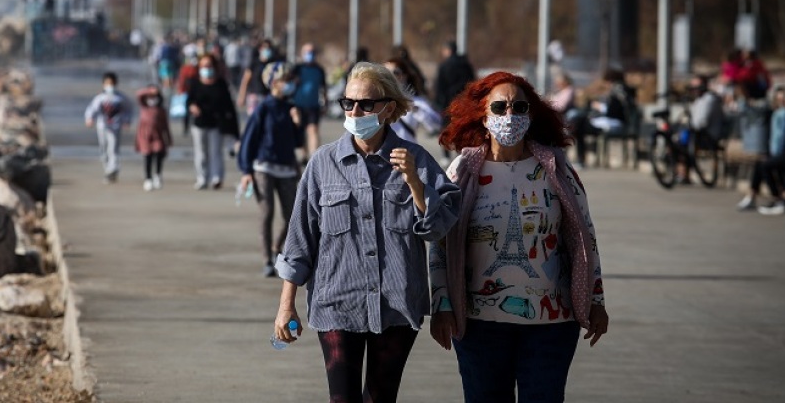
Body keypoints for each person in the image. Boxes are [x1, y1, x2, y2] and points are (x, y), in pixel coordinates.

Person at [273, 62, 462, 403]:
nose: (355, 111)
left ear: (389, 108)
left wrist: (416, 185)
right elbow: (300, 239)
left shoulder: (416, 160)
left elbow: (439, 229)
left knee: (380, 398)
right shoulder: (322, 163)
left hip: (397, 306)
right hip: (336, 304)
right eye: (348, 103)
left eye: (365, 104)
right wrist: (286, 305)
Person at [429, 71, 609, 403]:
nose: (509, 116)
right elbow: (440, 244)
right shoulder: (463, 171)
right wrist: (441, 304)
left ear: (531, 114)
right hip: (479, 324)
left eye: (519, 108)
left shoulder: (556, 168)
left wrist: (596, 301)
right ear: (482, 115)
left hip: (552, 323)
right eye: (499, 108)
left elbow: (585, 238)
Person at [237, 61, 303, 277]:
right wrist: (246, 170)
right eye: (286, 80)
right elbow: (249, 140)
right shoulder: (263, 108)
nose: (290, 84)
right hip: (263, 167)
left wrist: (296, 122)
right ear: (274, 83)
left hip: (286, 168)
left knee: (291, 215)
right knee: (267, 213)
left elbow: (297, 142)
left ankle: (277, 248)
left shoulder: (290, 107)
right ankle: (266, 259)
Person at [737, 86, 785, 215]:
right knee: (766, 166)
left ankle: (780, 199)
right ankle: (761, 196)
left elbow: (784, 135)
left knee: (768, 166)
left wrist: (777, 152)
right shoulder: (784, 112)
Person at [186, 53, 238, 190]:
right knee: (201, 153)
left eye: (209, 66)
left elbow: (229, 106)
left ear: (215, 67)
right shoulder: (195, 82)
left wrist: (234, 129)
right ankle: (202, 178)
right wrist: (192, 107)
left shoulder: (221, 83)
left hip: (216, 123)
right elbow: (189, 101)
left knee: (216, 152)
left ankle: (217, 177)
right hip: (199, 123)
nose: (206, 68)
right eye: (203, 66)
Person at [573, 69, 637, 167]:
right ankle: (580, 158)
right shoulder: (624, 89)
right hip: (617, 121)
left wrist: (599, 106)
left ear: (610, 80)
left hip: (615, 122)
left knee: (579, 125)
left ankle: (580, 159)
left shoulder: (618, 89)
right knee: (579, 123)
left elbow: (613, 110)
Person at [85, 72, 134, 184]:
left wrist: (127, 121)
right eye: (107, 83)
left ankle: (113, 169)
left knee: (113, 148)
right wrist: (89, 119)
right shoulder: (100, 98)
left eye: (111, 83)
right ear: (103, 84)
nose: (109, 85)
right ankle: (107, 169)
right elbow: (92, 109)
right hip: (102, 126)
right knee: (103, 149)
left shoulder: (120, 98)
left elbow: (129, 110)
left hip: (115, 127)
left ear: (115, 83)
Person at [678, 74, 726, 184]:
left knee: (682, 143)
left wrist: (689, 125)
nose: (694, 90)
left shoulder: (709, 100)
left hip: (708, 136)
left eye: (697, 87)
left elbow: (700, 122)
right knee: (680, 140)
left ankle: (683, 174)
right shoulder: (699, 100)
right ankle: (682, 173)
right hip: (698, 134)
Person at [384, 56, 442, 145]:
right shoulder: (375, 100)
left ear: (404, 76)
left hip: (407, 153)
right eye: (386, 72)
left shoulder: (415, 101)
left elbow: (437, 124)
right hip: (381, 154)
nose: (390, 76)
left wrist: (416, 110)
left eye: (395, 72)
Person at [291, 42, 328, 158]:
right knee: (300, 132)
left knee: (313, 130)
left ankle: (314, 156)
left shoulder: (319, 70)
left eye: (312, 52)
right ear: (302, 54)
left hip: (313, 105)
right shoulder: (297, 69)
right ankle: (304, 154)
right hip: (299, 105)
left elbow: (323, 88)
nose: (310, 54)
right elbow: (290, 85)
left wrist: (325, 103)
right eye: (307, 52)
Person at [135, 84, 173, 191]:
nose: (152, 99)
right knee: (148, 157)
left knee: (159, 154)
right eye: (150, 97)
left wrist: (169, 139)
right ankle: (148, 178)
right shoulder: (144, 107)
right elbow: (138, 95)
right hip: (145, 136)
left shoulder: (161, 110)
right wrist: (150, 91)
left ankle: (158, 175)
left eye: (154, 97)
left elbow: (166, 125)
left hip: (158, 136)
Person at [433, 40, 476, 121]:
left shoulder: (444, 66)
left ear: (448, 50)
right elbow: (472, 82)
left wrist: (438, 103)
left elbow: (440, 86)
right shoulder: (466, 64)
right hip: (464, 101)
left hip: (448, 103)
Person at [238, 38, 282, 116]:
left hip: (268, 96)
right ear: (260, 49)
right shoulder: (254, 63)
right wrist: (242, 96)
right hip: (254, 96)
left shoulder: (272, 64)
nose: (267, 50)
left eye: (269, 48)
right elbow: (246, 80)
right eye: (265, 48)